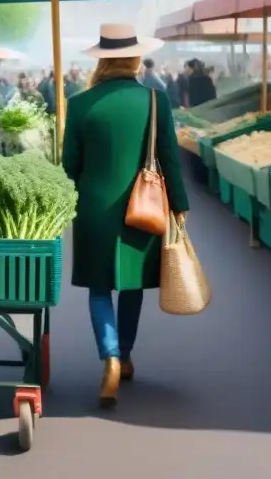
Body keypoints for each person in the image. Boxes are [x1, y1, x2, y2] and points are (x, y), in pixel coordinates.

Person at [62, 23, 188, 408]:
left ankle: (110, 356)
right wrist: (180, 206)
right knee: (131, 285)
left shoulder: (81, 103)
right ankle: (127, 353)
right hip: (143, 208)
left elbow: (69, 164)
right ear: (135, 58)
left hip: (93, 208)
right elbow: (169, 158)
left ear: (101, 59)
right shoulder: (155, 100)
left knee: (100, 287)